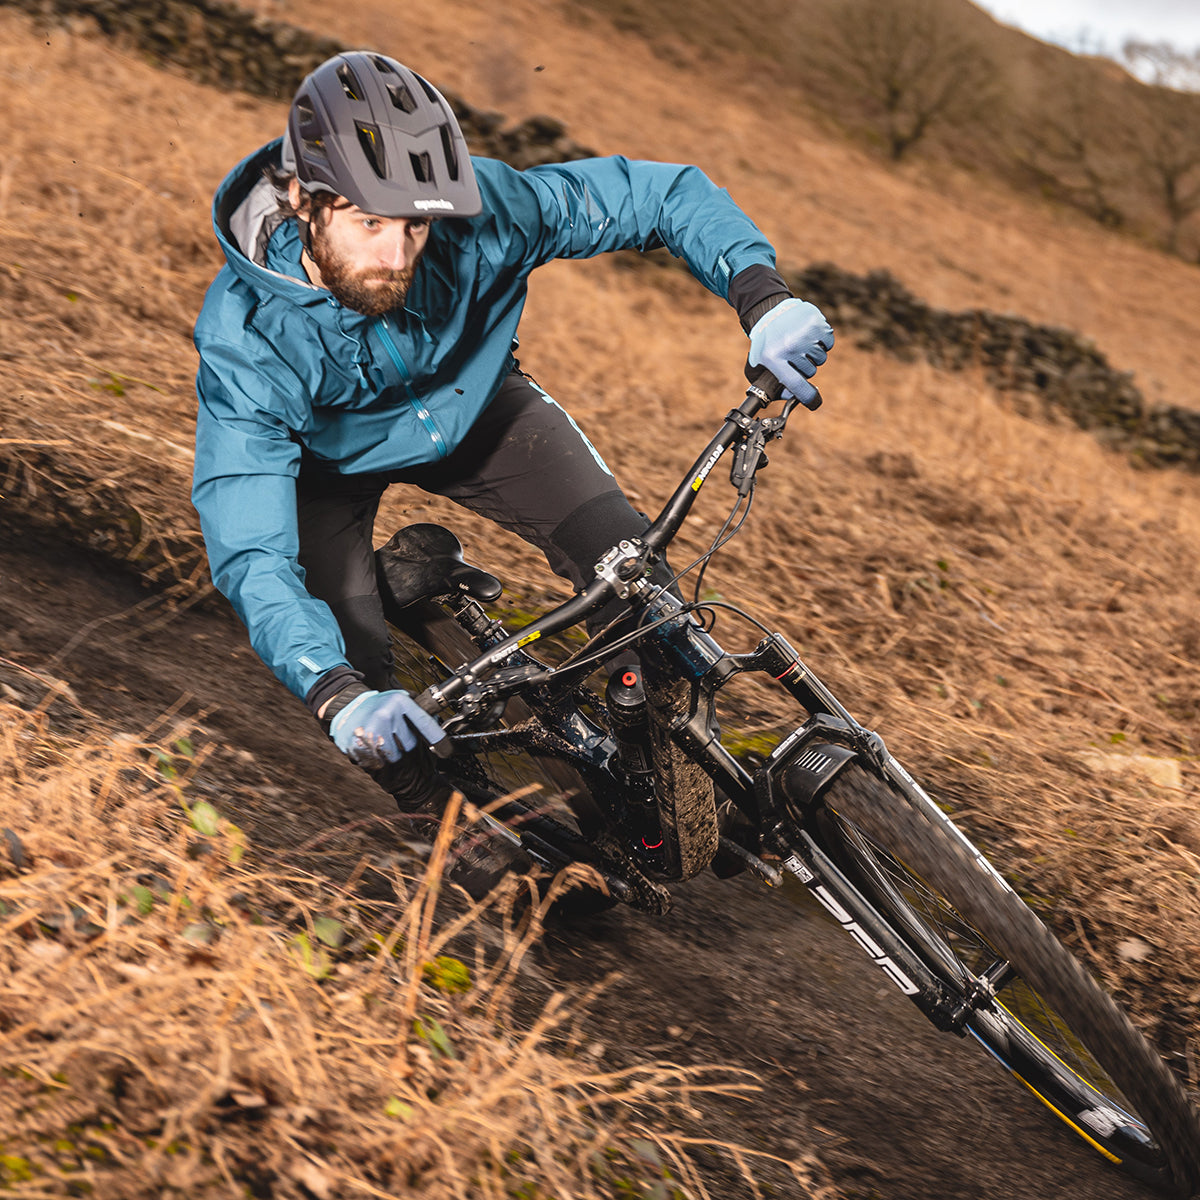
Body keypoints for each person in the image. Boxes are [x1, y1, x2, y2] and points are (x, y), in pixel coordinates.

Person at [191, 51, 833, 847]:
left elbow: (659, 195)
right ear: (303, 200)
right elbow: (250, 548)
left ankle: (661, 783)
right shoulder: (246, 337)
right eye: (369, 224)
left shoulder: (484, 209)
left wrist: (762, 295)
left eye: (414, 225)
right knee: (364, 704)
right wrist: (336, 694)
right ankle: (469, 826)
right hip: (327, 468)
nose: (397, 256)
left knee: (643, 593)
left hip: (479, 408)